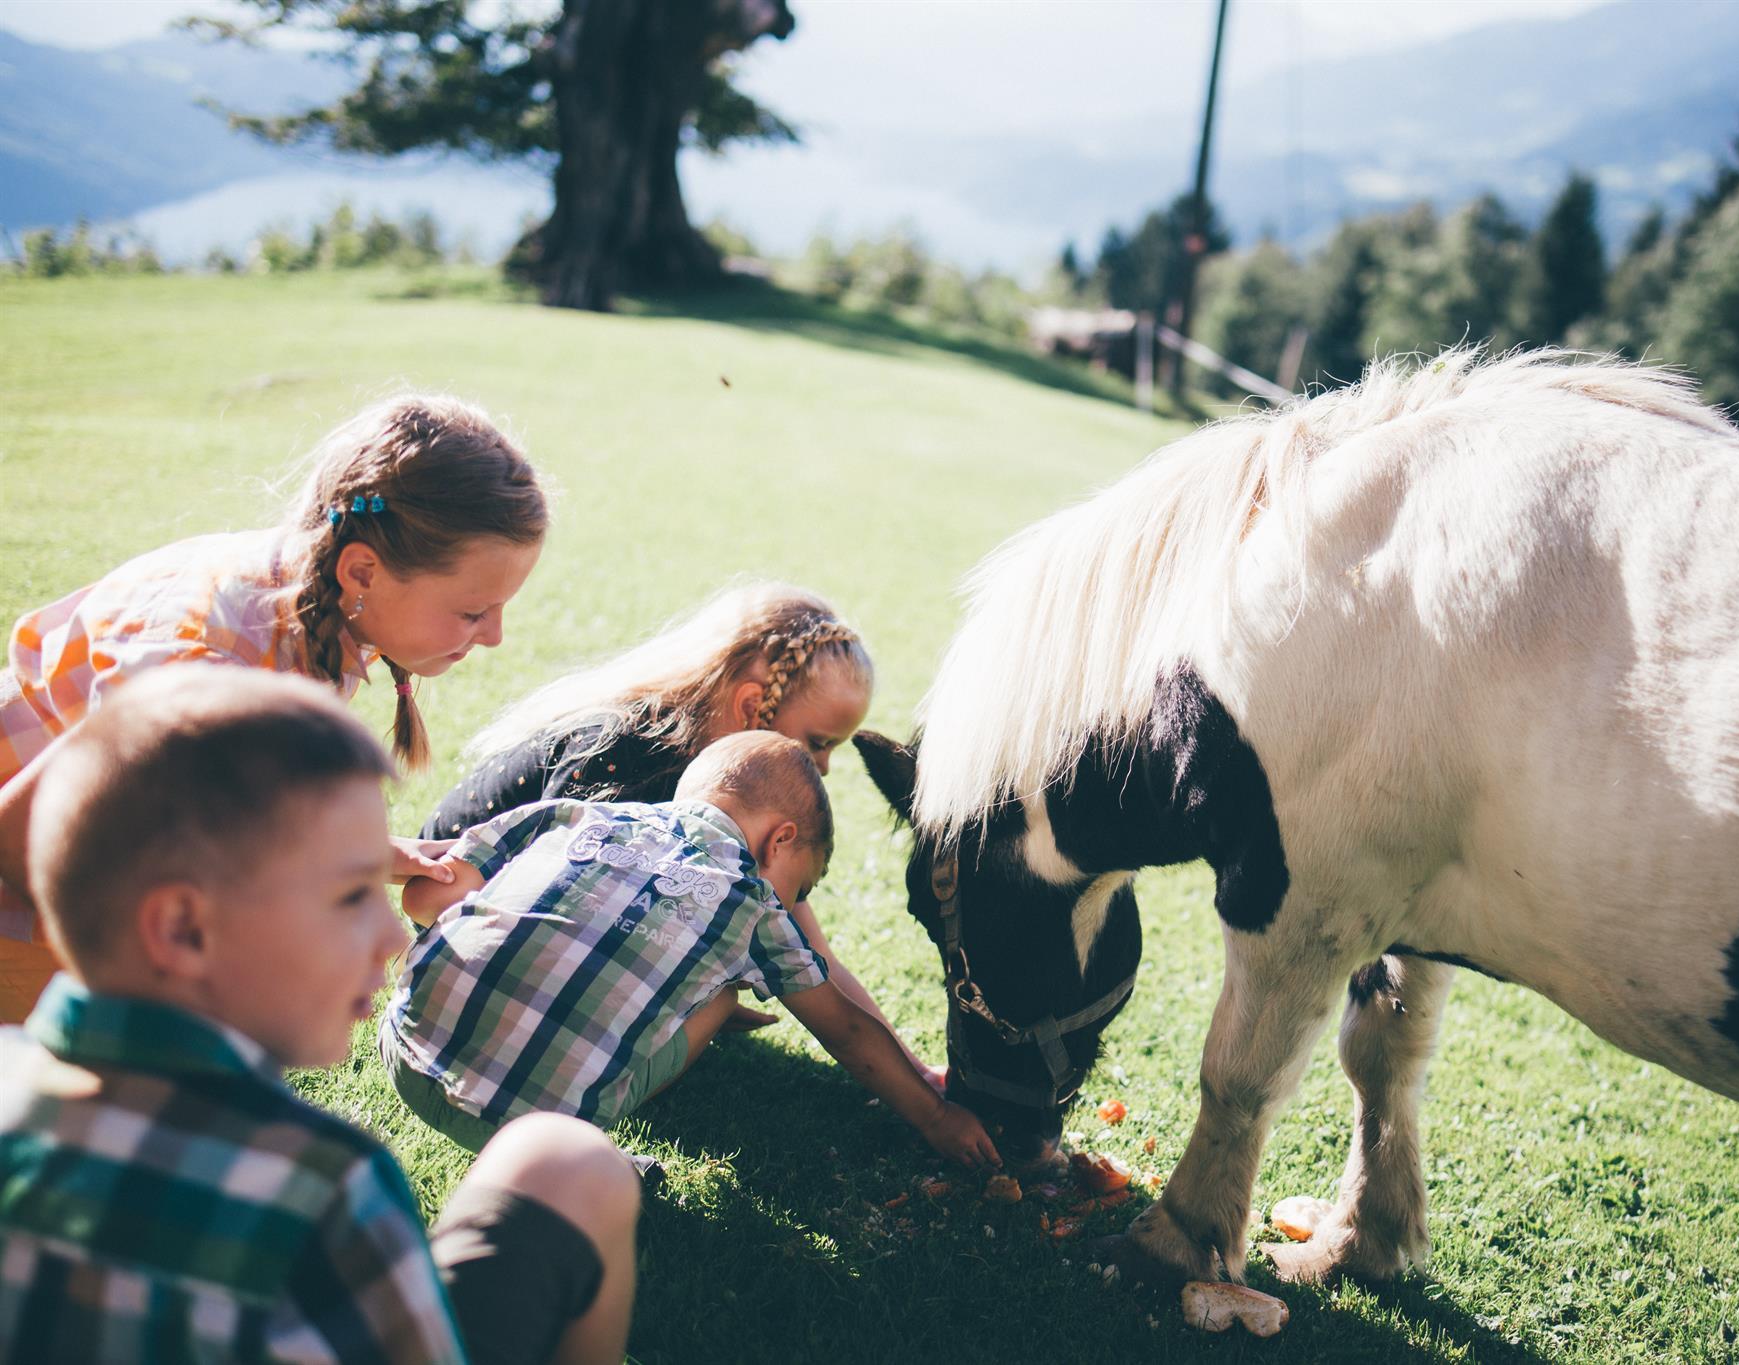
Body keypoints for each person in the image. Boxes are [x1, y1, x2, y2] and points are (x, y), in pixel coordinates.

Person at [0, 669, 637, 1364]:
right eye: (351, 896)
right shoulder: (318, 1187)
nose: (391, 936)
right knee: (569, 1161)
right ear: (183, 928)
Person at [0, 393, 550, 1023]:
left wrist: (369, 852)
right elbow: (42, 836)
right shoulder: (198, 668)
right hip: (33, 917)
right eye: (473, 611)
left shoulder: (320, 607)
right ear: (363, 573)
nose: (494, 636)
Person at [384, 731, 1000, 1169]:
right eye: (800, 888)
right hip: (539, 1133)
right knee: (724, 991)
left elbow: (430, 895)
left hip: (406, 1053)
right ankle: (599, 1157)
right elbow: (845, 1029)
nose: (790, 903)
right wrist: (936, 1117)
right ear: (779, 841)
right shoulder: (753, 905)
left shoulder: (572, 815)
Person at [422, 583, 928, 1065]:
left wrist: (915, 1070)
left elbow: (815, 956)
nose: (823, 768)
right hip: (461, 918)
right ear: (752, 706)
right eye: (816, 743)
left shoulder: (738, 806)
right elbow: (550, 899)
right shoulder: (623, 754)